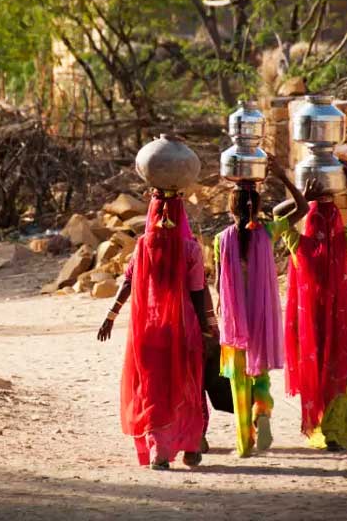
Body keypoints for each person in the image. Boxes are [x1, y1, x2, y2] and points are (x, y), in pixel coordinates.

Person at [97, 189, 210, 470]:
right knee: (187, 385)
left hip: (149, 330)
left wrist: (110, 316)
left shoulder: (143, 246)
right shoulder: (191, 249)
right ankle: (191, 446)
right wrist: (208, 328)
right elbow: (197, 292)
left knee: (153, 389)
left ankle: (160, 452)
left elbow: (127, 283)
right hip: (183, 330)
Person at [213, 156, 310, 457]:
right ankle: (263, 413)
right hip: (262, 317)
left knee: (238, 383)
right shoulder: (267, 233)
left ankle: (244, 443)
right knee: (261, 376)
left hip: (234, 321)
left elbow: (219, 283)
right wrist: (283, 177)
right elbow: (304, 208)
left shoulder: (221, 240)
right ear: (257, 207)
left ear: (231, 209)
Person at [276, 160, 347, 452]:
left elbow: (278, 217)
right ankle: (336, 430)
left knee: (317, 369)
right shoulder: (345, 240)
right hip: (342, 319)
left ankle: (322, 428)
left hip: (310, 325)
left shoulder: (298, 245)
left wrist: (299, 195)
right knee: (343, 367)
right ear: (337, 222)